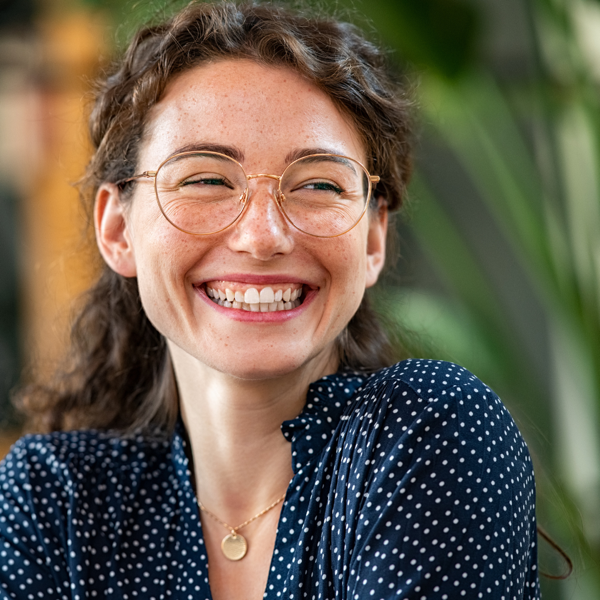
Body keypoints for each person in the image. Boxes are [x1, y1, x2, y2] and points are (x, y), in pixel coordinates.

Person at [0, 2, 540, 598]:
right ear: (117, 230)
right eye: (205, 179)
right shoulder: (55, 498)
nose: (262, 236)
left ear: (373, 236)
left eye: (317, 185)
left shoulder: (432, 435)